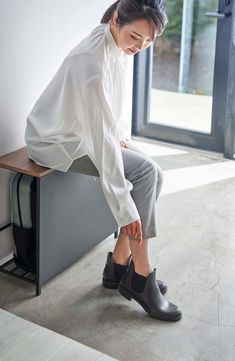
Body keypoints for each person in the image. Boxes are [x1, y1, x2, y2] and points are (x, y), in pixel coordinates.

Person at [25, 0, 182, 321]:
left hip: (84, 133)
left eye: (149, 40)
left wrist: (123, 135)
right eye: (136, 37)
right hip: (56, 141)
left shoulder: (114, 42)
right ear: (115, 20)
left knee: (155, 176)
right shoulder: (91, 60)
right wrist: (123, 209)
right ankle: (141, 274)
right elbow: (101, 139)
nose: (141, 47)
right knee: (145, 172)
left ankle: (118, 266)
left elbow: (111, 110)